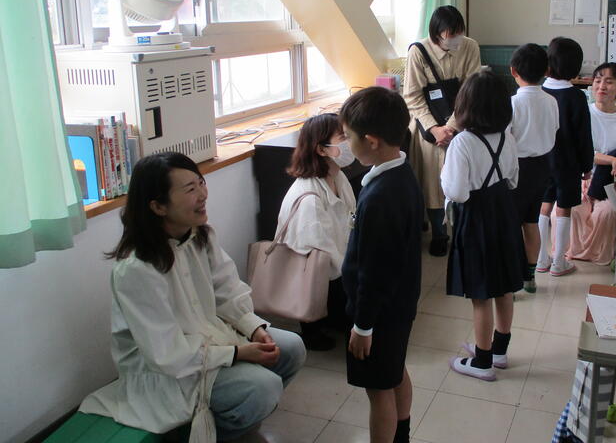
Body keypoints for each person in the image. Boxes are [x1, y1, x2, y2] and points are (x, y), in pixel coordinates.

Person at [79, 152, 306, 440]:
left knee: (291, 348)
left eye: (201, 183)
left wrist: (254, 329)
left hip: (209, 338)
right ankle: (210, 430)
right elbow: (166, 354)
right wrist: (237, 353)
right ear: (158, 206)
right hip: (169, 371)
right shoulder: (137, 269)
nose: (202, 195)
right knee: (263, 387)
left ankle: (236, 417)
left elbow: (227, 291)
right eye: (189, 189)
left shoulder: (200, 236)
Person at [339, 87, 424, 443]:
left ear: (371, 141)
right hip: (398, 306)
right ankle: (401, 435)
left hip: (379, 313)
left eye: (348, 137)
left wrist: (363, 326)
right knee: (394, 371)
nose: (345, 144)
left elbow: (375, 272)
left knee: (378, 390)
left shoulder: (381, 196)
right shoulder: (401, 172)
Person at [441, 70, 526, 382]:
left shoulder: (462, 142)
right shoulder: (508, 137)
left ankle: (482, 361)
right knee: (503, 288)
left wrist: (442, 176)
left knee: (481, 294)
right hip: (504, 215)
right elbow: (513, 179)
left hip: (476, 219)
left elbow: (457, 193)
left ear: (465, 105)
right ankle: (499, 351)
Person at [404, 5, 481, 256]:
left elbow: (471, 90)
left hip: (461, 122)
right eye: (451, 34)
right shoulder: (418, 52)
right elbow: (413, 96)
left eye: (459, 32)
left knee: (461, 180)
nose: (456, 38)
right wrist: (435, 129)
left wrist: (451, 127)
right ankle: (439, 233)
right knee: (432, 183)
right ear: (437, 33)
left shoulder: (470, 47)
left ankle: (461, 231)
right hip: (428, 128)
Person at [276, 113, 356, 351]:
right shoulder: (309, 197)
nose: (351, 142)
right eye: (343, 137)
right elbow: (321, 254)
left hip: (334, 264)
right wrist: (356, 270)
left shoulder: (337, 176)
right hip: (315, 271)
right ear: (322, 149)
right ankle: (313, 329)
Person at [568, 62, 616, 265]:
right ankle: (574, 252)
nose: (601, 86)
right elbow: (578, 152)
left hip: (612, 181)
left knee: (606, 212)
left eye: (609, 82)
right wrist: (612, 159)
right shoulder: (583, 112)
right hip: (582, 176)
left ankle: (601, 253)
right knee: (573, 208)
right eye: (598, 81)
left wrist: (611, 160)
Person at [538, 37, 594, 277]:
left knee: (543, 206)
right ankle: (559, 262)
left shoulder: (540, 92)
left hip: (541, 161)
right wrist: (587, 165)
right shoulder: (577, 97)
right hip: (568, 163)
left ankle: (541, 259)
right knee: (564, 208)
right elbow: (583, 135)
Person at [509, 44, 559, 293]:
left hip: (517, 169)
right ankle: (530, 276)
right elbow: (555, 130)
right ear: (546, 71)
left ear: (513, 71)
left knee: (511, 225)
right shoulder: (551, 101)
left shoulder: (512, 103)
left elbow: (506, 138)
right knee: (531, 221)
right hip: (543, 167)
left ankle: (511, 282)